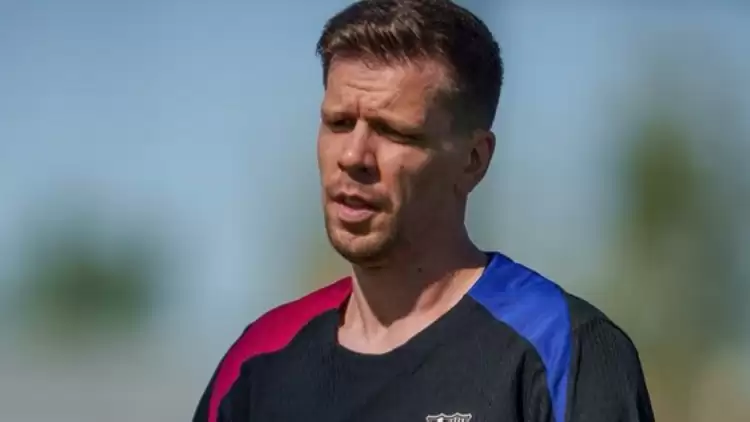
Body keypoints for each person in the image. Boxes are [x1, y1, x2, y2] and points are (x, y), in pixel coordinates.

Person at [193, 0, 655, 421]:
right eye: (338, 122)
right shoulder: (258, 363)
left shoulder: (563, 348)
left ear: (473, 160)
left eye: (393, 132)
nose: (353, 156)